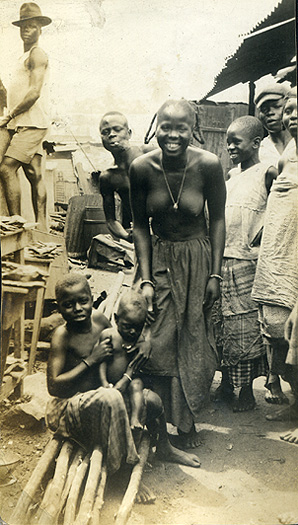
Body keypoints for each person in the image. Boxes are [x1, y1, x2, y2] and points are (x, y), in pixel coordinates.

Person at [130, 99, 226, 448]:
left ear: (192, 130)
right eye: (165, 127)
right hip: (156, 258)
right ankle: (153, 423)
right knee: (154, 338)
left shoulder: (209, 165)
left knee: (191, 339)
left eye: (180, 128)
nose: (172, 135)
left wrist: (214, 275)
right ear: (156, 127)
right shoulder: (140, 167)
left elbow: (217, 220)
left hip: (197, 261)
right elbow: (140, 225)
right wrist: (145, 279)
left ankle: (185, 426)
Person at [46, 273, 201, 478]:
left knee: (152, 400)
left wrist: (143, 343)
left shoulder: (99, 320)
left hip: (106, 399)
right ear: (58, 306)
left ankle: (165, 447)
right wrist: (90, 360)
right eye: (68, 304)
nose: (77, 309)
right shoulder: (62, 336)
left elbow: (122, 341)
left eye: (83, 301)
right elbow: (53, 387)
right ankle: (124, 470)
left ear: (92, 299)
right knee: (112, 397)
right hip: (73, 406)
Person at [220, 116, 277, 412]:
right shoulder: (231, 176)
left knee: (247, 328)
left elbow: (280, 210)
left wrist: (262, 237)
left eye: (236, 141)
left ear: (256, 143)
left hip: (249, 260)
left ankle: (247, 392)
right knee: (226, 325)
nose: (230, 146)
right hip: (226, 257)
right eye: (228, 141)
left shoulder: (267, 172)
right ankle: (228, 385)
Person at [252, 87, 298, 442]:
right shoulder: (284, 158)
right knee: (279, 328)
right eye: (290, 110)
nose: (290, 115)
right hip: (278, 257)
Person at [0, 2, 51, 232]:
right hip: (23, 122)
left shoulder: (37, 54)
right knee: (34, 174)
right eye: (23, 26)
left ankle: (15, 223)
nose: (26, 31)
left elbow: (34, 92)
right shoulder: (23, 56)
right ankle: (41, 229)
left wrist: (9, 115)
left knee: (6, 169)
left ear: (40, 29)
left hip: (31, 123)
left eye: (31, 26)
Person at [99, 290, 148, 432]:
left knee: (137, 384)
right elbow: (101, 362)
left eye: (138, 328)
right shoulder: (109, 335)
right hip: (108, 380)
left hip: (129, 381)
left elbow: (136, 365)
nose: (133, 331)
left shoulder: (139, 340)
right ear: (116, 319)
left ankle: (135, 418)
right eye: (127, 326)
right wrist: (103, 382)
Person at [98, 112, 150, 242]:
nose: (111, 134)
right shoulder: (108, 177)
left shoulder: (148, 153)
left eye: (117, 129)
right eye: (105, 132)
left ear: (129, 133)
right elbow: (110, 221)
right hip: (139, 235)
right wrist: (127, 236)